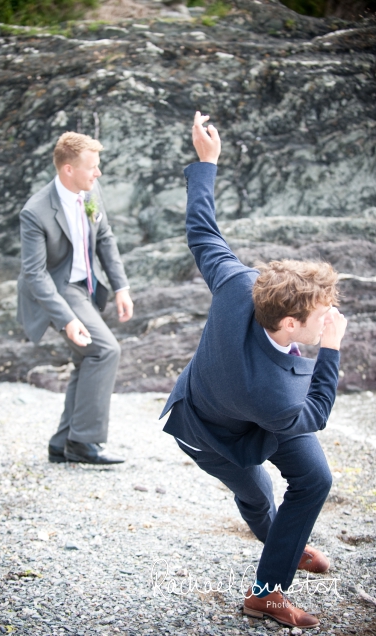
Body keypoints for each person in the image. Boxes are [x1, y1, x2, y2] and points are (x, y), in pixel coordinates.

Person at [161, 112, 348, 629]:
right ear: (289, 323)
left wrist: (207, 162)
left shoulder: (238, 280)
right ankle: (269, 584)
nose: (329, 319)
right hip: (207, 429)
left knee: (314, 479)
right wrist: (329, 352)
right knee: (259, 495)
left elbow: (202, 230)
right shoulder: (277, 396)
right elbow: (312, 414)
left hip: (255, 409)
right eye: (319, 318)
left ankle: (275, 569)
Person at [17, 131, 134, 465]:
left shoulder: (90, 189)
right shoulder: (35, 212)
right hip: (58, 289)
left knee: (88, 359)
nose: (98, 173)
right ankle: (84, 442)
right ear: (68, 169)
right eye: (91, 167)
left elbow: (106, 239)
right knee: (106, 350)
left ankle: (64, 442)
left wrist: (121, 287)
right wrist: (67, 319)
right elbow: (34, 274)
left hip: (88, 285)